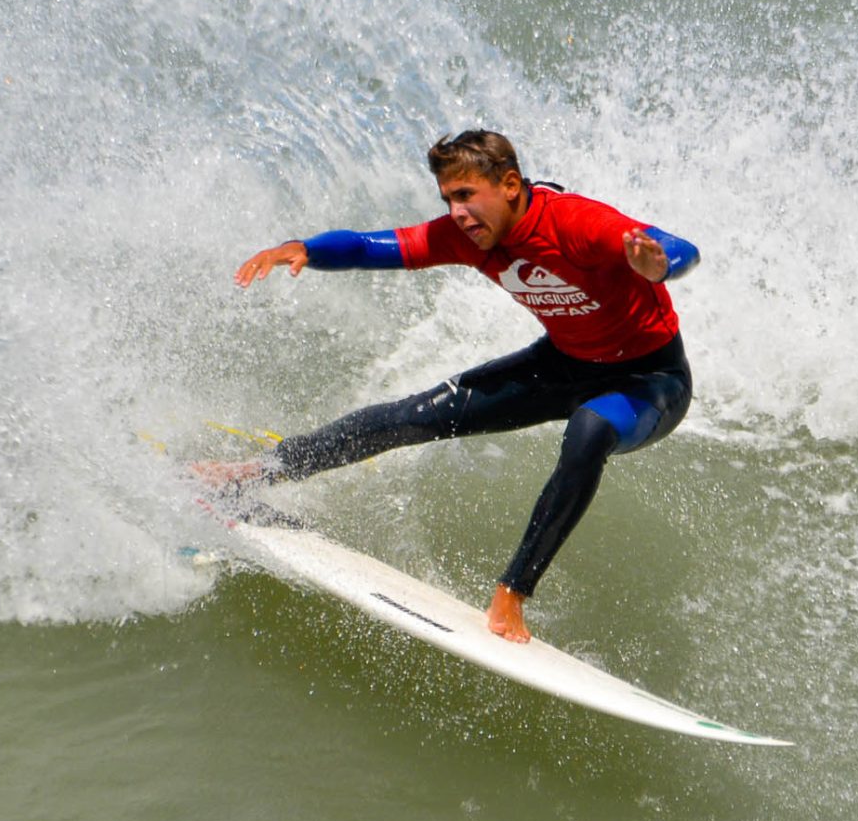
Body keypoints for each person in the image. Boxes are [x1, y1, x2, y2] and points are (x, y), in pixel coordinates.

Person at [215, 130, 700, 644]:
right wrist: (304, 249)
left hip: (650, 380)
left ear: (510, 185)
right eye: (449, 199)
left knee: (591, 430)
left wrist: (658, 264)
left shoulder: (575, 223)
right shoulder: (464, 236)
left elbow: (680, 248)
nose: (458, 212)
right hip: (563, 365)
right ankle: (260, 471)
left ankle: (513, 593)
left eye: (466, 195)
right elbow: (368, 245)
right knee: (414, 415)